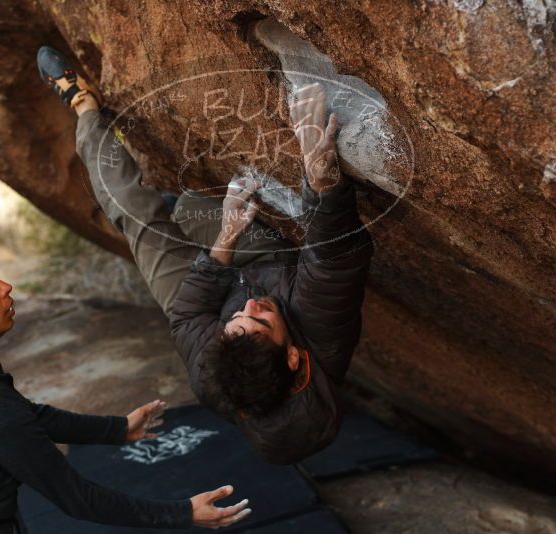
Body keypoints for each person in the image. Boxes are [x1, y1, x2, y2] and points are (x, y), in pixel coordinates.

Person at [36, 43, 373, 466]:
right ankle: (182, 210)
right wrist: (320, 178)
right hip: (265, 265)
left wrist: (226, 239)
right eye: (262, 319)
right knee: (191, 207)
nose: (249, 308)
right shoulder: (319, 334)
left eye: (237, 322)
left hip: (203, 294)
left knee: (134, 216)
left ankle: (86, 109)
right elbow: (335, 258)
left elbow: (189, 314)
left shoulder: (212, 377)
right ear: (294, 356)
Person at [0, 244, 250, 534]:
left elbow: (27, 416)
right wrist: (184, 512)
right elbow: (77, 497)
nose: (6, 287)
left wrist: (116, 429)